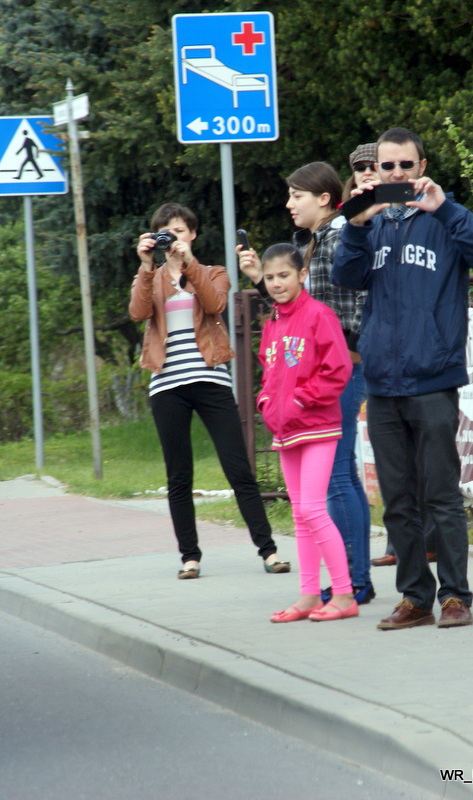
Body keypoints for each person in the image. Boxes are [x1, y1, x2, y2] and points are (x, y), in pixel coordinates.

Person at [331, 127, 473, 629]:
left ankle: (455, 597)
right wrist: (357, 224)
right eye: (387, 167)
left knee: (442, 496)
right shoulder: (370, 224)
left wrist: (444, 208)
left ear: (422, 167)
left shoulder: (444, 218)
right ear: (376, 171)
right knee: (398, 501)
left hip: (432, 379)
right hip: (383, 382)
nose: (397, 174)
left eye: (406, 165)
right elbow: (345, 278)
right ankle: (414, 598)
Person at [128, 202, 290, 579]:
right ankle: (190, 557)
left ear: (193, 234)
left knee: (238, 469)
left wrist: (189, 263)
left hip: (211, 380)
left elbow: (216, 302)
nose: (173, 239)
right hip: (167, 385)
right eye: (167, 232)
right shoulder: (151, 276)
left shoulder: (213, 272)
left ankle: (268, 551)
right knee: (179, 475)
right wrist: (145, 265)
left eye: (180, 231)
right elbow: (138, 312)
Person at [238, 161, 374, 605]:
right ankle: (353, 578)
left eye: (297, 195)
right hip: (325, 370)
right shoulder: (311, 240)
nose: (289, 203)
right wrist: (261, 279)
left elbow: (325, 311)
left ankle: (351, 582)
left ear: (324, 198)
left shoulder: (339, 236)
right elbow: (294, 309)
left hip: (340, 366)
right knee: (341, 478)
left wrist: (300, 395)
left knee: (336, 479)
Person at [257, 243, 358, 623]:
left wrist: (300, 400)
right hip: (286, 430)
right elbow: (268, 370)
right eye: (270, 277)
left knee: (313, 509)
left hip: (317, 426)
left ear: (302, 275)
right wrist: (266, 402)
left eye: (284, 275)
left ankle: (344, 595)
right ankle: (309, 595)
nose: (276, 283)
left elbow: (338, 368)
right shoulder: (272, 322)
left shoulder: (319, 315)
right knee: (300, 514)